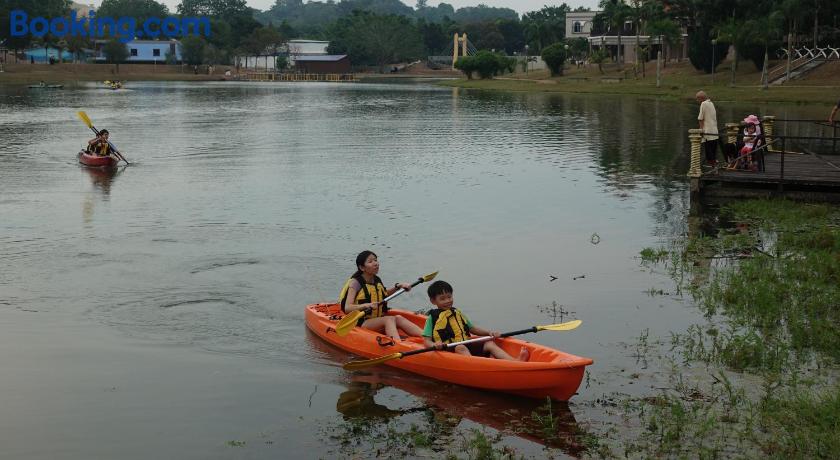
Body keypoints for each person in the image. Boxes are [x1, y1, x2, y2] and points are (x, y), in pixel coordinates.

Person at [422, 280, 529, 361]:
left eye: (449, 297)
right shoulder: (432, 318)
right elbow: (426, 340)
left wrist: (489, 333)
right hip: (448, 348)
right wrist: (434, 345)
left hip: (465, 344)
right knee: (460, 347)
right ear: (433, 301)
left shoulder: (457, 313)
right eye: (442, 299)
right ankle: (477, 366)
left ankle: (515, 361)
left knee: (489, 343)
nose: (447, 301)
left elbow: (472, 328)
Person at [338, 250, 423, 341]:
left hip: (376, 319)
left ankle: (428, 338)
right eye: (370, 261)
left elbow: (383, 294)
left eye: (375, 260)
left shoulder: (376, 279)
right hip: (360, 321)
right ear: (362, 267)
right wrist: (367, 305)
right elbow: (347, 307)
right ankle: (398, 345)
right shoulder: (355, 283)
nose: (375, 263)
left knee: (398, 318)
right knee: (388, 319)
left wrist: (398, 287)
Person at [696, 90, 720, 166]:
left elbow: (700, 118)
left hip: (708, 132)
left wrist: (701, 130)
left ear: (701, 98)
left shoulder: (703, 104)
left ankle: (713, 167)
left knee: (709, 153)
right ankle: (714, 167)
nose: (697, 101)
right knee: (713, 152)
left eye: (697, 99)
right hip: (715, 132)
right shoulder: (711, 103)